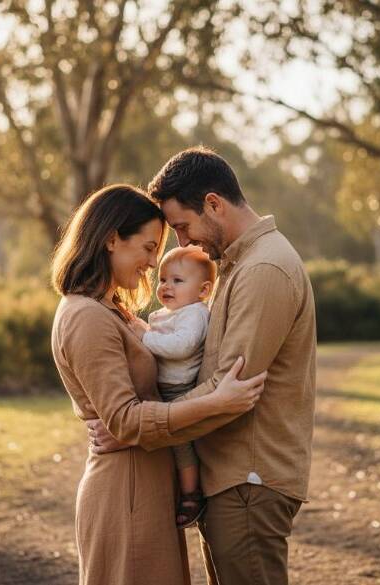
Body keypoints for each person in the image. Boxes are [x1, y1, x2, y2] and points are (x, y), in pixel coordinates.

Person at [88, 147, 317, 585]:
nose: (182, 243)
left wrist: (136, 430)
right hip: (231, 478)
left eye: (181, 227)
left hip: (249, 479)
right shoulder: (239, 264)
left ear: (213, 204)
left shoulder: (264, 268)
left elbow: (228, 390)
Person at [50, 183, 267, 585]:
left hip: (143, 487)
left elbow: (132, 415)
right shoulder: (86, 316)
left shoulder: (114, 311)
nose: (153, 263)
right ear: (112, 238)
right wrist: (216, 402)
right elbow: (125, 421)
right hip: (125, 494)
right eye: (149, 248)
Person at [127, 245, 217, 527]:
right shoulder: (168, 313)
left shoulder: (195, 314)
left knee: (180, 442)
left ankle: (192, 493)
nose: (166, 286)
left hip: (179, 389)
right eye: (163, 279)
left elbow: (182, 346)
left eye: (177, 281)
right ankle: (176, 487)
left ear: (203, 291)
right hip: (160, 387)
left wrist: (144, 337)